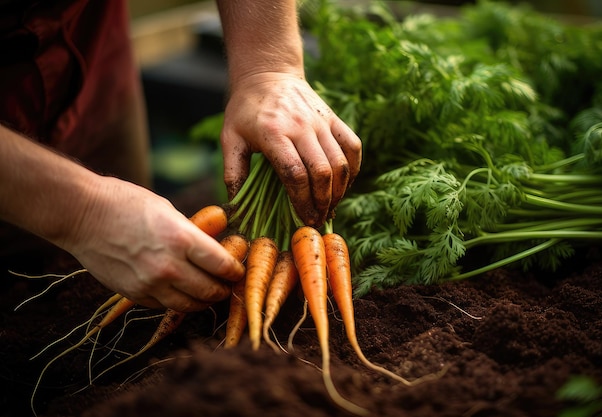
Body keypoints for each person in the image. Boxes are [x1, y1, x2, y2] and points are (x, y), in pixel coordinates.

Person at [0, 0, 362, 313]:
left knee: (143, 260)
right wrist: (84, 213)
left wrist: (268, 66)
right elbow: (89, 215)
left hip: (84, 34)